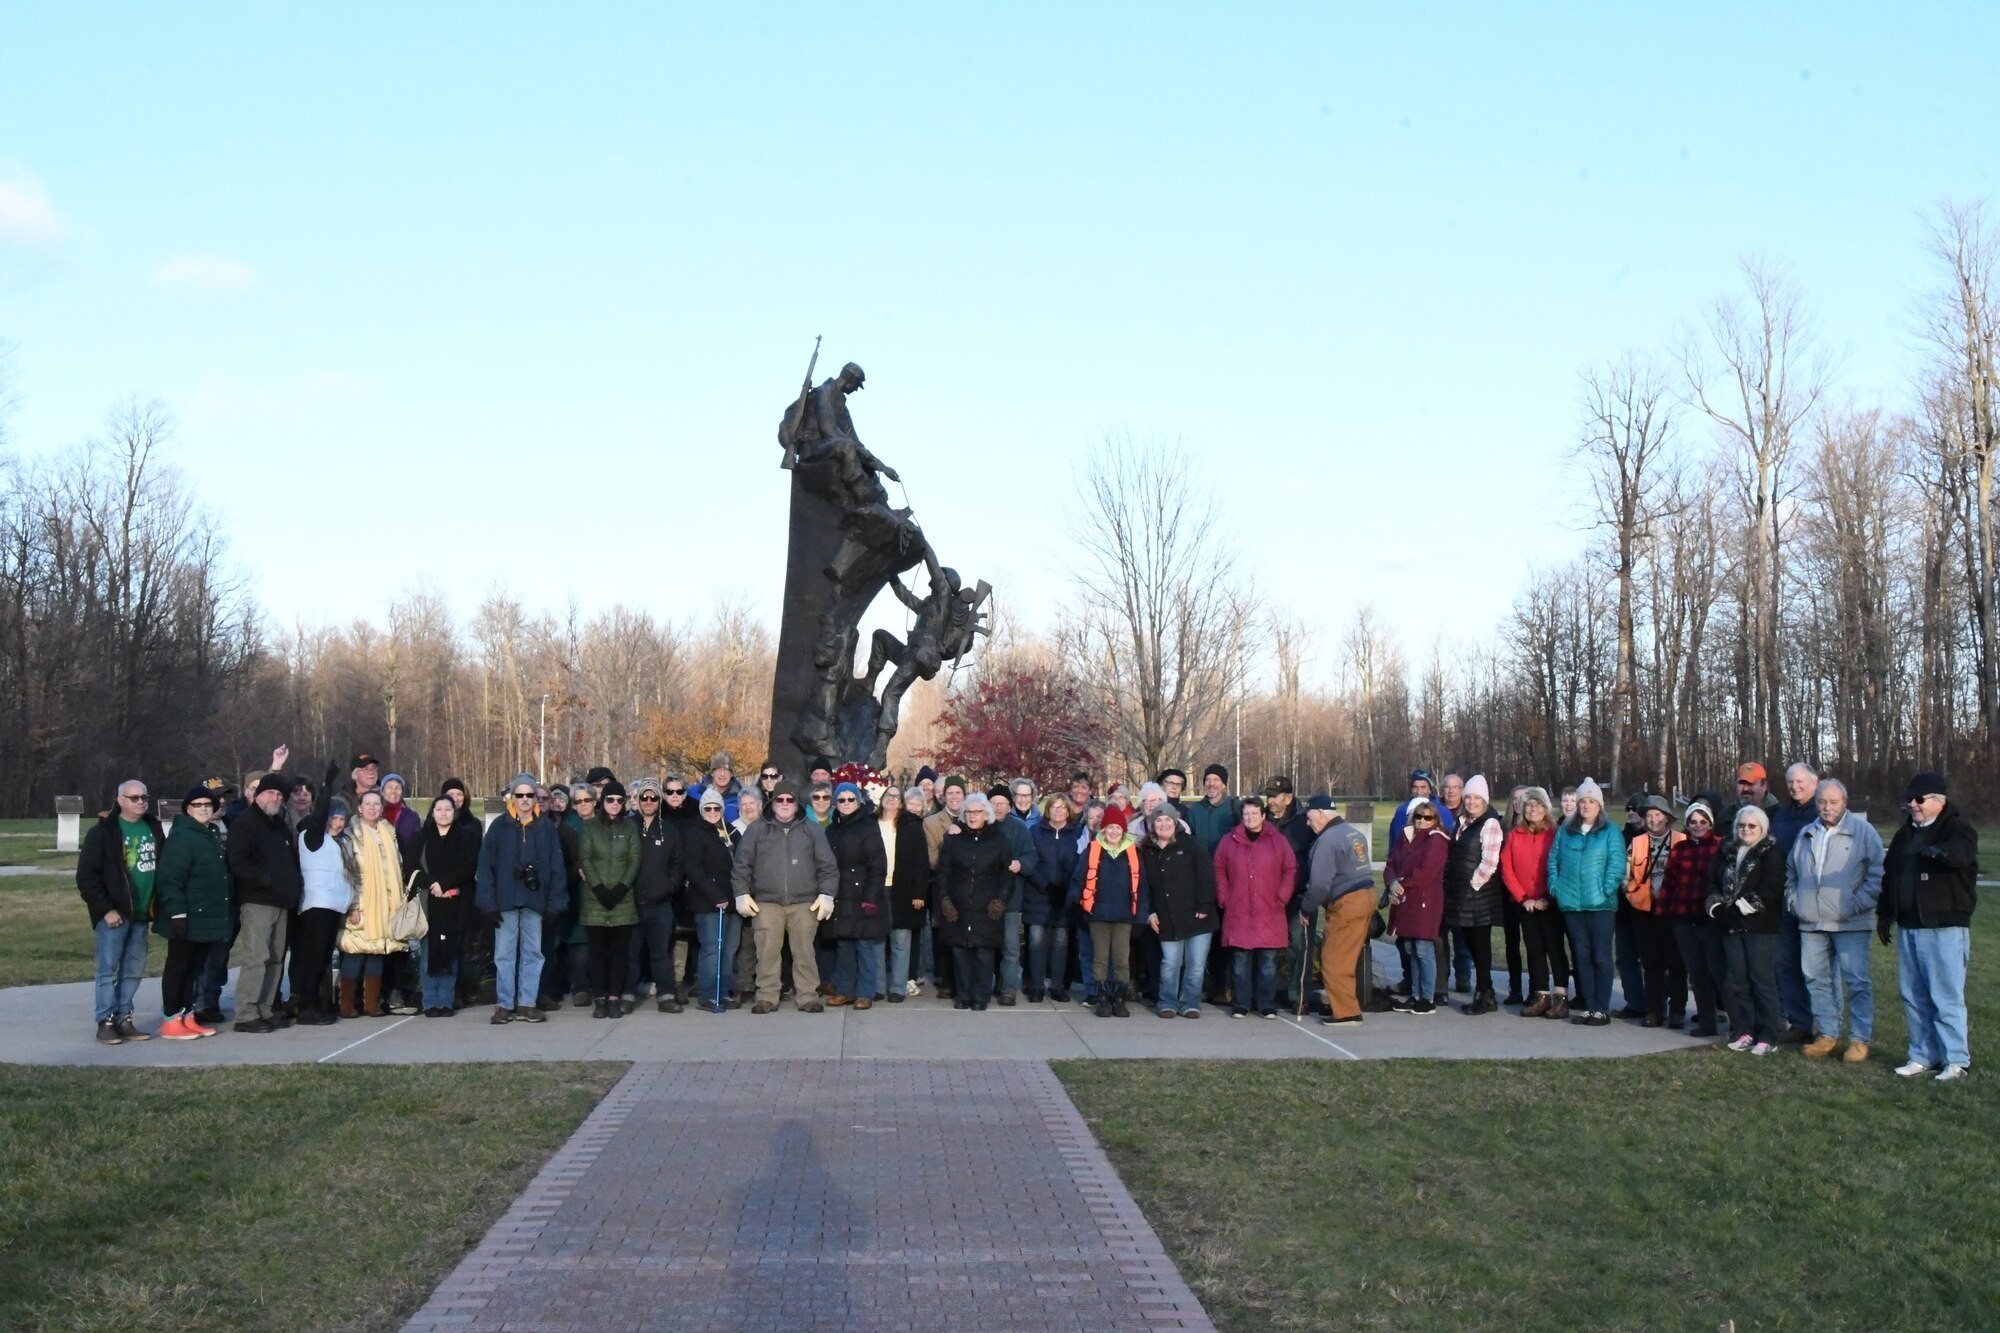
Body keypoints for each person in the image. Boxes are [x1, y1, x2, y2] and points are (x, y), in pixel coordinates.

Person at [1879, 771, 1977, 1080]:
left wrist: (1942, 852)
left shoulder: (1957, 829)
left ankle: (1957, 1060)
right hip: (1910, 926)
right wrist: (1885, 914)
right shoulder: (1904, 835)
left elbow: (1963, 853)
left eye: (1919, 799)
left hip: (1944, 927)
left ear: (1939, 800)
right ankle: (1923, 1055)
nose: (1913, 805)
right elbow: (1890, 876)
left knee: (1945, 996)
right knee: (1913, 995)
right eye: (1909, 800)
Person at [1786, 778, 1884, 1062]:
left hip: (1849, 922)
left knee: (1856, 982)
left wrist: (1855, 905)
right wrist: (1795, 902)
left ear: (1845, 802)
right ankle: (1827, 1033)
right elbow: (1792, 872)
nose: (1827, 808)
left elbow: (1877, 875)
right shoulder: (1807, 832)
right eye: (1821, 802)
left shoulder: (1863, 833)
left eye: (1833, 802)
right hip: (1811, 923)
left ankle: (1859, 1039)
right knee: (1816, 979)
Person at [734, 781, 838, 1014]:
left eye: (789, 800)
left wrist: (827, 894)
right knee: (767, 951)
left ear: (796, 803)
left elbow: (828, 866)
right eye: (780, 800)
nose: (784, 804)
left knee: (804, 952)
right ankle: (767, 996)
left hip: (804, 902)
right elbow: (742, 865)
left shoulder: (811, 830)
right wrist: (741, 893)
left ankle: (808, 996)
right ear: (772, 803)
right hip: (767, 902)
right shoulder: (757, 830)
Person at [76, 779, 164, 1045]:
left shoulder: (153, 827)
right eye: (134, 798)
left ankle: (124, 1017)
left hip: (141, 913)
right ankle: (106, 1021)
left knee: (134, 970)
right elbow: (87, 877)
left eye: (144, 798)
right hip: (115, 915)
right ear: (120, 800)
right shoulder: (104, 832)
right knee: (108, 970)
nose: (140, 802)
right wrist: (106, 910)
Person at [475, 776, 567, 1025]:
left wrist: (554, 905)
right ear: (512, 798)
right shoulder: (499, 827)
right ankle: (505, 1004)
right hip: (505, 901)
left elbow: (557, 867)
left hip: (534, 901)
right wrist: (488, 903)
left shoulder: (545, 828)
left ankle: (527, 1003)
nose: (525, 800)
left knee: (533, 953)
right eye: (520, 795)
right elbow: (486, 867)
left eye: (530, 796)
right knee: (504, 954)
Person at [152, 784, 232, 1040]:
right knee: (178, 966)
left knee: (195, 968)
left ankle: (187, 1015)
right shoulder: (182, 836)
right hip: (186, 915)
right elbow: (170, 878)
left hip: (205, 915)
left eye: (208, 805)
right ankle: (171, 1018)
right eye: (198, 805)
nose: (203, 809)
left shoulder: (209, 834)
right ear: (188, 809)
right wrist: (177, 912)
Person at [1706, 804, 1786, 1055]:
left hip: (1760, 927)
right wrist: (1717, 907)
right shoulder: (1726, 850)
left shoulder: (1770, 852)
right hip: (1729, 926)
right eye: (1742, 825)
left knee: (1762, 982)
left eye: (1752, 826)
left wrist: (1740, 908)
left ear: (1762, 828)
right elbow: (1710, 880)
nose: (1746, 829)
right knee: (1738, 981)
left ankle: (1768, 1035)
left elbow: (1770, 888)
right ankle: (1745, 1030)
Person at [226, 772, 302, 1033]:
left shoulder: (278, 824)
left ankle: (266, 1008)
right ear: (258, 795)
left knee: (276, 958)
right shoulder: (245, 823)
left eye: (280, 795)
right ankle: (246, 1013)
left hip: (281, 901)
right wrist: (266, 880)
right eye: (271, 793)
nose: (276, 798)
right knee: (257, 957)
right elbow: (238, 862)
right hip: (257, 900)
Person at [1548, 778, 1626, 1027]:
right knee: (1581, 956)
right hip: (1572, 905)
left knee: (1601, 957)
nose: (1586, 806)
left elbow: (1616, 865)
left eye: (1591, 801)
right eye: (1583, 801)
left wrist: (1606, 889)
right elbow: (1553, 861)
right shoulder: (1565, 831)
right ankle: (1589, 1006)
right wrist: (1555, 887)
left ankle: (1602, 1008)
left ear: (1599, 805)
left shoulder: (1610, 831)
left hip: (1600, 905)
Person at [1214, 796, 1298, 1020]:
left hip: (1270, 909)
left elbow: (1290, 868)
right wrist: (1224, 896)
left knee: (1267, 963)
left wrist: (1283, 895)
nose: (1250, 818)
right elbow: (1219, 868)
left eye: (1254, 813)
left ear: (1263, 815)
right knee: (1240, 962)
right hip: (1238, 909)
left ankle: (1266, 1004)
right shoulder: (1228, 841)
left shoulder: (1277, 841)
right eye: (1246, 814)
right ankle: (1241, 1003)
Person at [1298, 795, 1375, 1025]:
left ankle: (1347, 1013)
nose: (1307, 823)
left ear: (1321, 813)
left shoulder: (1327, 840)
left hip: (1346, 903)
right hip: (1365, 896)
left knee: (1334, 958)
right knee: (1347, 957)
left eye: (1310, 817)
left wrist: (1306, 907)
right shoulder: (1352, 833)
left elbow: (1320, 884)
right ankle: (1340, 1004)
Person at [934, 793, 1013, 1010]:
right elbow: (943, 873)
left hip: (987, 906)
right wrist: (944, 899)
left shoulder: (999, 840)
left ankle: (981, 996)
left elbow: (1007, 875)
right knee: (960, 951)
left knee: (983, 952)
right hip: (958, 904)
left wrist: (1001, 900)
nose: (972, 816)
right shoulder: (954, 839)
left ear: (986, 814)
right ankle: (964, 994)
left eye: (977, 812)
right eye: (968, 812)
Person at [1139, 806, 1217, 1018]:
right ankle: (1167, 1002)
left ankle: (1191, 1002)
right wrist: (1150, 912)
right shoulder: (1146, 851)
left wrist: (1204, 905)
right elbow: (1143, 885)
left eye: (1167, 820)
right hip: (1166, 917)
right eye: (1159, 820)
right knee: (1170, 963)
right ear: (1152, 825)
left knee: (1195, 965)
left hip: (1198, 916)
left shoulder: (1191, 845)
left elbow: (1206, 875)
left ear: (1175, 822)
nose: (1163, 824)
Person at [1069, 804, 1146, 1018]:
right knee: (1100, 958)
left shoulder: (1134, 853)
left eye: (1117, 828)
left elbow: (1142, 887)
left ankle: (1119, 997)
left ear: (1123, 830)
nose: (1113, 832)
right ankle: (1102, 996)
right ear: (1103, 830)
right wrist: (1075, 902)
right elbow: (1079, 878)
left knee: (1121, 959)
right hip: (1097, 914)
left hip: (1124, 915)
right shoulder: (1092, 850)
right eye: (1109, 827)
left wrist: (1140, 917)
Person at [1763, 762, 1821, 1041]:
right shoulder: (1782, 815)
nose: (1795, 787)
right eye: (1790, 783)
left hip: (1815, 898)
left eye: (1800, 782)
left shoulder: (1822, 811)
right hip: (1784, 896)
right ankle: (1798, 1022)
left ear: (1814, 782)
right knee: (1785, 961)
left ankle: (1825, 1024)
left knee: (1816, 965)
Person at [338, 789, 408, 1018]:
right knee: (356, 951)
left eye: (377, 804)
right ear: (359, 808)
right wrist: (353, 905)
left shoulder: (389, 831)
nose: (372, 808)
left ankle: (371, 1004)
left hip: (386, 904)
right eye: (367, 803)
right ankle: (347, 1004)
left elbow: (397, 866)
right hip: (362, 902)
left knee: (378, 951)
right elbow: (348, 872)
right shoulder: (351, 834)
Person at [1659, 801, 1727, 1037]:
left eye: (1703, 822)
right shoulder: (1680, 849)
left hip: (1710, 919)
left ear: (1710, 823)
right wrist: (1664, 912)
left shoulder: (1721, 847)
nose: (1698, 826)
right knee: (1697, 974)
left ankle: (1740, 1023)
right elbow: (1669, 883)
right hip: (1683, 918)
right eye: (1693, 822)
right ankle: (1707, 1022)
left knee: (1719, 973)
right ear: (1687, 824)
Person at [293, 774, 354, 1026]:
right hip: (316, 907)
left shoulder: (336, 842)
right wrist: (326, 786)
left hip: (333, 907)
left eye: (341, 819)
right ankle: (307, 1006)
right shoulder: (312, 837)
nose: (338, 824)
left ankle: (317, 1004)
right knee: (313, 959)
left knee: (322, 960)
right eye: (333, 818)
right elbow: (318, 816)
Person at [1442, 775, 1505, 1015]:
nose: (1471, 801)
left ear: (1484, 800)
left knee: (1480, 947)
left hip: (1478, 897)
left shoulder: (1489, 824)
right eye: (1468, 797)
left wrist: (1472, 887)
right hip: (1462, 897)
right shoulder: (1462, 823)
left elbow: (1489, 862)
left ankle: (1484, 993)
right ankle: (1484, 992)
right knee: (1470, 944)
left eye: (1476, 797)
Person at [578, 780, 641, 1019]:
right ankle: (600, 998)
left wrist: (621, 888)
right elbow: (585, 858)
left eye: (619, 800)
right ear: (602, 802)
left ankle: (614, 997)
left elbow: (635, 859)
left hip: (623, 899)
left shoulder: (630, 827)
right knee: (597, 953)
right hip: (595, 899)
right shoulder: (590, 827)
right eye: (610, 799)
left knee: (619, 952)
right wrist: (599, 889)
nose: (615, 804)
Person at [823, 782, 890, 1007]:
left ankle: (865, 992)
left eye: (851, 799)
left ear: (859, 801)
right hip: (840, 893)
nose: (846, 803)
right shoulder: (831, 830)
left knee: (864, 946)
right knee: (844, 946)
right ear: (836, 803)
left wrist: (871, 897)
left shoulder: (868, 826)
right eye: (841, 799)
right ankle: (845, 990)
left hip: (862, 893)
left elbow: (878, 863)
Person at [413, 794, 480, 1017]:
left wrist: (445, 884)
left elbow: (468, 868)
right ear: (432, 812)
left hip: (454, 904)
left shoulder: (464, 838)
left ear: (455, 813)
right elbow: (411, 869)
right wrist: (432, 884)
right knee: (429, 952)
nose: (443, 813)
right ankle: (430, 1001)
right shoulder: (421, 838)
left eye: (448, 809)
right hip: (428, 904)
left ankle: (446, 1001)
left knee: (450, 952)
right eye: (439, 809)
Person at [1623, 795, 1687, 1028]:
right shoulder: (1638, 842)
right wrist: (1633, 896)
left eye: (1658, 815)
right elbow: (1626, 875)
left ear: (1667, 817)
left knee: (1677, 962)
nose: (1653, 820)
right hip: (1645, 911)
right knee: (1651, 963)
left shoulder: (1682, 840)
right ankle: (1654, 1010)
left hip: (1674, 911)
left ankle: (1678, 1009)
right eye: (1649, 815)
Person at [1501, 787, 1565, 1018]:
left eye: (1538, 805)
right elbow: (1507, 868)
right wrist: (1523, 898)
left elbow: (1559, 865)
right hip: (1525, 904)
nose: (1533, 809)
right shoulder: (1515, 835)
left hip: (1549, 902)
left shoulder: (1555, 834)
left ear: (1545, 808)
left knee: (1554, 948)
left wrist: (1546, 898)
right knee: (1534, 950)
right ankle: (1541, 995)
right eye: (1529, 805)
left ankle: (1561, 996)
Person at [1384, 797, 1449, 1015]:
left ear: (1435, 820)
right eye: (1418, 816)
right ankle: (1416, 993)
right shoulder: (1405, 837)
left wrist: (1403, 884)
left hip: (1424, 900)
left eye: (1427, 817)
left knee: (1423, 948)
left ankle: (1428, 997)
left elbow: (1428, 871)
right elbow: (1391, 862)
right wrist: (1391, 881)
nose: (1421, 821)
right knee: (1410, 947)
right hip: (1405, 900)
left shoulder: (1436, 840)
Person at [628, 777, 684, 1014]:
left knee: (661, 953)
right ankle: (627, 994)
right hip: (630, 903)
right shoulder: (628, 826)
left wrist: (670, 886)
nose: (649, 802)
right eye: (644, 797)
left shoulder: (669, 829)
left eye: (653, 797)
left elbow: (678, 863)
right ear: (638, 800)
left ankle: (666, 995)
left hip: (660, 903)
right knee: (631, 953)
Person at [684, 785, 741, 1013]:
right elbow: (694, 869)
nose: (712, 811)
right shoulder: (695, 832)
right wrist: (715, 895)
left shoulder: (730, 831)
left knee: (728, 950)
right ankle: (707, 994)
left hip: (732, 900)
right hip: (709, 902)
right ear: (701, 809)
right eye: (707, 807)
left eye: (716, 807)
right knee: (711, 948)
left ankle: (724, 990)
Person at [1262, 777, 1317, 1009]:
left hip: (1297, 895)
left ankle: (1298, 995)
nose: (1271, 801)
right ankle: (1264, 995)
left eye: (1275, 796)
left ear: (1288, 798)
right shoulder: (1260, 819)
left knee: (1299, 945)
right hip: (1267, 896)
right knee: (1266, 948)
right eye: (1269, 796)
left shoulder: (1304, 822)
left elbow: (1317, 857)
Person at [985, 784, 1037, 1005]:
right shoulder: (980, 826)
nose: (997, 807)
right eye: (993, 803)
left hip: (1011, 899)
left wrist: (1020, 864)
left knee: (1010, 947)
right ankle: (986, 985)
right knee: (985, 946)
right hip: (983, 898)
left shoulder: (1019, 829)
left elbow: (1031, 858)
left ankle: (1008, 989)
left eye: (1002, 803)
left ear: (1010, 806)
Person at [1026, 794, 1081, 1002]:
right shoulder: (1035, 832)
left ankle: (1057, 986)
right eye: (1054, 808)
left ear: (1068, 811)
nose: (1058, 811)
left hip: (1065, 897)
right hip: (1039, 895)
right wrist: (1046, 887)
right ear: (1048, 810)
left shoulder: (1077, 833)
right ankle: (1037, 986)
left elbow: (1079, 863)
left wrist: (1067, 889)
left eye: (1062, 808)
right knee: (1036, 943)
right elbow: (1030, 862)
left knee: (1060, 943)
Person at [881, 786, 931, 1002]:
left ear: (901, 802)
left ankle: (898, 987)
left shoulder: (911, 826)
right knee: (876, 941)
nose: (892, 799)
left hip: (902, 888)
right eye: (888, 796)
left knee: (901, 939)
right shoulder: (871, 824)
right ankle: (877, 986)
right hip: (876, 888)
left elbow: (921, 862)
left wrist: (919, 893)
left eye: (896, 796)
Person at [1186, 764, 1240, 858]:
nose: (1211, 784)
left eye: (1216, 780)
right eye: (1208, 780)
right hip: (1201, 867)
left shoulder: (1234, 807)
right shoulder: (1194, 811)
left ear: (1223, 785)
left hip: (1226, 866)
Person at [692, 752, 743, 824]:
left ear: (731, 774)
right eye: (718, 769)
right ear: (712, 772)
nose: (722, 774)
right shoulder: (694, 793)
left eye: (726, 770)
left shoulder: (741, 797)